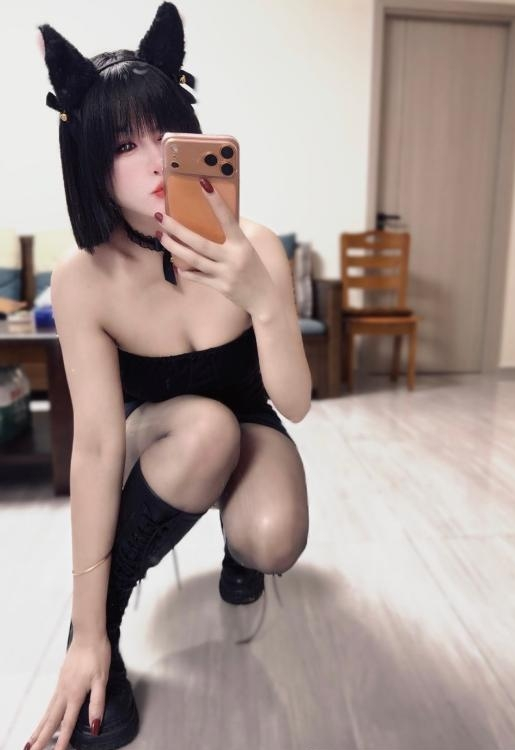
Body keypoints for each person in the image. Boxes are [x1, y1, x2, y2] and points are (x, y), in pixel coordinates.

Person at [25, 4, 311, 749]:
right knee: (204, 431)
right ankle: (100, 634)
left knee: (273, 537)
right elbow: (94, 448)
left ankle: (236, 548)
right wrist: (88, 632)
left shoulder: (253, 245)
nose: (155, 162)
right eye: (125, 144)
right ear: (89, 158)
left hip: (247, 420)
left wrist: (261, 299)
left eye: (166, 135)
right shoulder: (83, 277)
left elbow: (295, 403)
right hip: (150, 434)